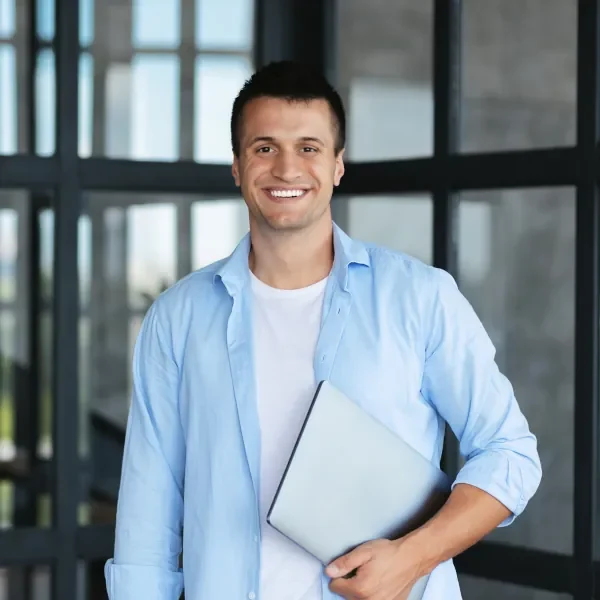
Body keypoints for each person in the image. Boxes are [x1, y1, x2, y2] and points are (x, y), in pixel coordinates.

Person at [104, 60, 542, 600]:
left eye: (309, 148)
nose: (287, 169)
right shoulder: (178, 318)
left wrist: (412, 558)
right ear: (237, 167)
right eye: (264, 148)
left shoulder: (419, 297)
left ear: (338, 165)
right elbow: (147, 521)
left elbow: (510, 453)